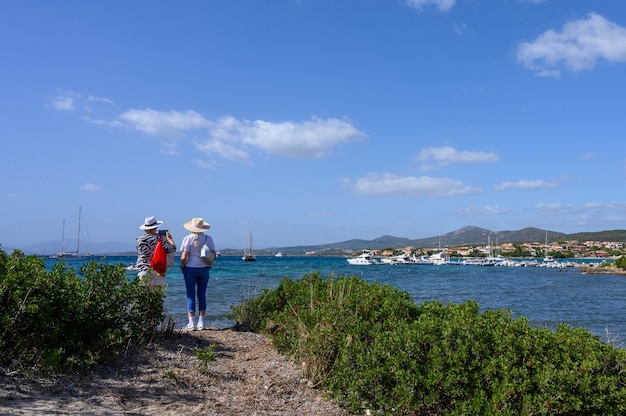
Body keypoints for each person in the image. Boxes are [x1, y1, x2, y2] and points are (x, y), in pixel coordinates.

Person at [180, 217, 216, 331]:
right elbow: (214, 254)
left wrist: (182, 266)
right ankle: (201, 323)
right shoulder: (208, 238)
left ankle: (191, 324)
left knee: (190, 295)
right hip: (204, 268)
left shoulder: (187, 238)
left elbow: (184, 257)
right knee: (202, 295)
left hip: (190, 268)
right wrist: (210, 264)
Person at [135, 216, 176, 287]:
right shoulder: (161, 238)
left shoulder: (139, 239)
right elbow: (172, 248)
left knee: (144, 296)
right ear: (155, 227)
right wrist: (170, 239)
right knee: (156, 296)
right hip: (156, 270)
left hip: (142, 270)